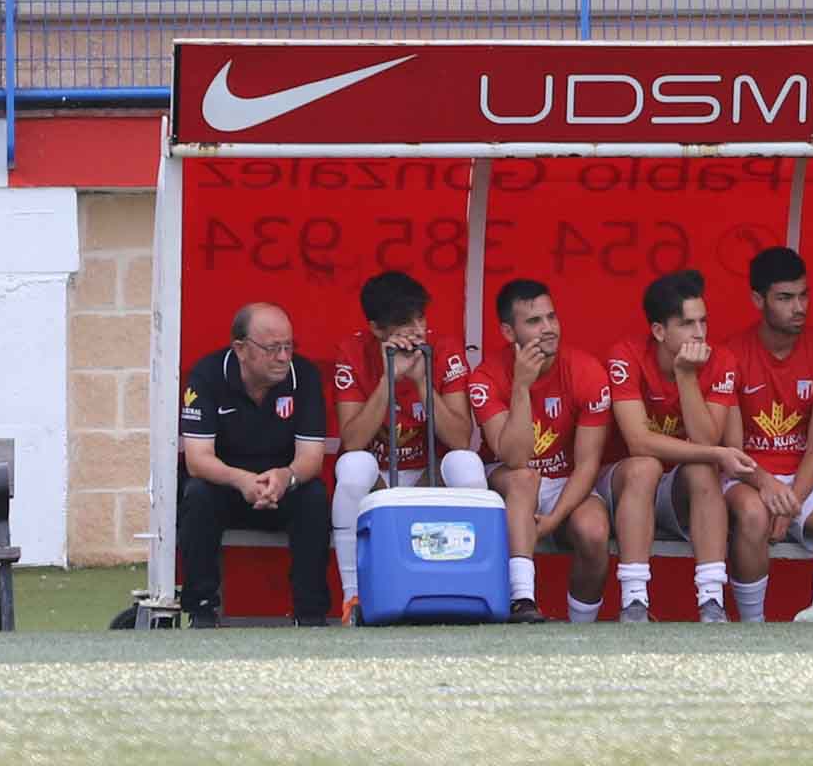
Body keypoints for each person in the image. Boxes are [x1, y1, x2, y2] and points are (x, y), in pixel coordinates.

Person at [707, 247, 813, 625]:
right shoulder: (730, 354)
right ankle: (753, 624)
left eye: (804, 295)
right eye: (785, 298)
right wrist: (767, 487)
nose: (799, 307)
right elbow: (731, 450)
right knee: (753, 513)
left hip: (801, 478)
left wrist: (792, 500)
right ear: (757, 300)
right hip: (746, 475)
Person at [602, 268, 758, 625]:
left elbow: (706, 441)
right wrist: (717, 453)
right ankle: (634, 602)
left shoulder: (720, 361)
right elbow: (638, 441)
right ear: (659, 331)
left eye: (703, 321)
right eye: (687, 324)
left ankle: (711, 601)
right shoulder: (625, 355)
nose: (700, 333)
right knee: (645, 465)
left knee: (702, 467)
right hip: (622, 487)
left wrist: (687, 376)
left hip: (677, 494)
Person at [324, 270, 475, 621]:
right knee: (352, 466)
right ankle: (353, 599)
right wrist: (388, 378)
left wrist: (422, 382)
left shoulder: (446, 348)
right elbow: (352, 441)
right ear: (377, 328)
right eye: (404, 323)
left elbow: (460, 438)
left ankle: (465, 591)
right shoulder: (352, 351)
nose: (417, 330)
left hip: (426, 476)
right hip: (377, 479)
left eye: (420, 318)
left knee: (466, 465)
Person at [467, 278, 617, 625]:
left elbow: (587, 463)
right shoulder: (486, 376)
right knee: (525, 477)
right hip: (507, 482)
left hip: (565, 481)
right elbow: (514, 457)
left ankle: (582, 627)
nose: (548, 328)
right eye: (534, 321)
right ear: (508, 331)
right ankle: (522, 600)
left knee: (594, 532)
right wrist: (521, 386)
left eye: (551, 317)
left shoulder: (586, 370)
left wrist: (555, 518)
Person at [176, 303, 333, 628]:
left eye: (288, 346)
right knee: (197, 493)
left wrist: (285, 477)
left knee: (314, 496)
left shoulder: (304, 376)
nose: (283, 356)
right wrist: (242, 481)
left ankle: (311, 614)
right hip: (227, 485)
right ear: (241, 349)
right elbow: (197, 458)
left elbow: (311, 458)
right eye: (273, 348)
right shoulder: (206, 375)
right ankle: (202, 609)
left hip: (281, 486)